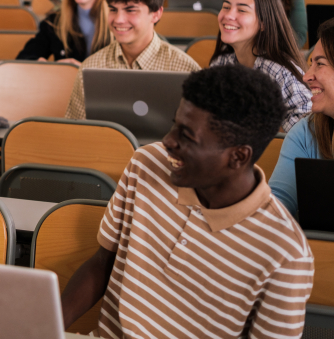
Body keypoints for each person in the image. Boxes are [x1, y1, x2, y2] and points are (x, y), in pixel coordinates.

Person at [61, 65, 313, 337]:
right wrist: (43, 327)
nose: (168, 141)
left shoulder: (287, 254)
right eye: (174, 125)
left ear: (238, 157)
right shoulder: (147, 164)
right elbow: (102, 264)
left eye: (187, 136)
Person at [65, 0, 200, 119]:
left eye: (130, 10)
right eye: (113, 10)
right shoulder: (90, 68)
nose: (118, 19)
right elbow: (77, 129)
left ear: (156, 14)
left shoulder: (185, 70)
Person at [210, 0, 311, 132]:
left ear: (264, 23)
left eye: (242, 10)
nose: (229, 15)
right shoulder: (221, 63)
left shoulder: (281, 73)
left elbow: (305, 139)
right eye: (226, 7)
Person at [270, 17, 334, 215]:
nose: (306, 77)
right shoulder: (305, 132)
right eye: (310, 63)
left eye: (319, 64)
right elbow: (275, 212)